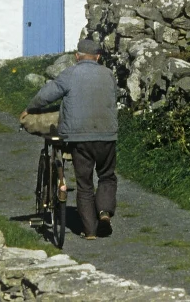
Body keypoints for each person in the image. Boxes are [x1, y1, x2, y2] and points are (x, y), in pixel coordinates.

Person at [21, 38, 118, 239]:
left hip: (79, 138)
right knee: (107, 176)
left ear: (77, 56)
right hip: (107, 135)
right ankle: (104, 213)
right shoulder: (108, 74)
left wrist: (30, 108)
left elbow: (46, 95)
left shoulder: (70, 74)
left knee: (85, 183)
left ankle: (90, 231)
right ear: (98, 57)